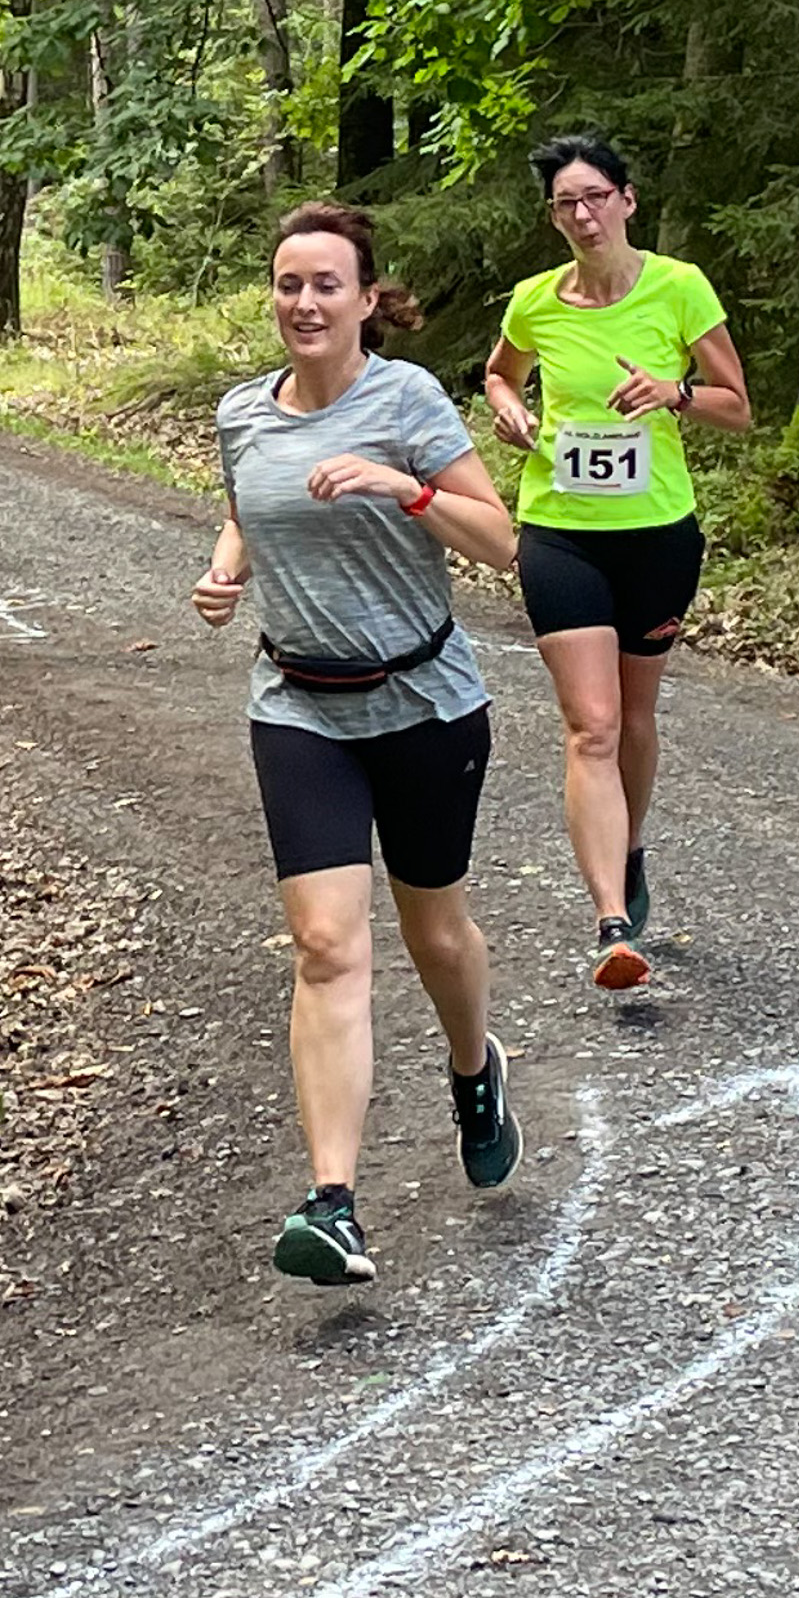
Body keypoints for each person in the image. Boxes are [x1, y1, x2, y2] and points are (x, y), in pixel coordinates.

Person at [193, 201, 522, 1288]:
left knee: (436, 933)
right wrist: (226, 570)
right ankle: (332, 1202)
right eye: (289, 284)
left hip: (424, 704)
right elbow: (250, 509)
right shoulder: (243, 413)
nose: (305, 303)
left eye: (327, 284)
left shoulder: (408, 399)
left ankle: (473, 1071)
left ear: (367, 299)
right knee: (328, 946)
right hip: (299, 707)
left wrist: (404, 487)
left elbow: (500, 542)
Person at [481, 131, 752, 993]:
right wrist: (508, 409)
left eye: (596, 196)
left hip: (657, 533)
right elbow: (498, 374)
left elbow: (737, 407)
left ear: (627, 201)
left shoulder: (679, 287)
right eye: (566, 202)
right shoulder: (534, 301)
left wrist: (675, 393)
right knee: (591, 725)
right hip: (559, 531)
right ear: (553, 217)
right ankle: (611, 922)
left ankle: (629, 849)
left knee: (634, 718)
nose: (583, 214)